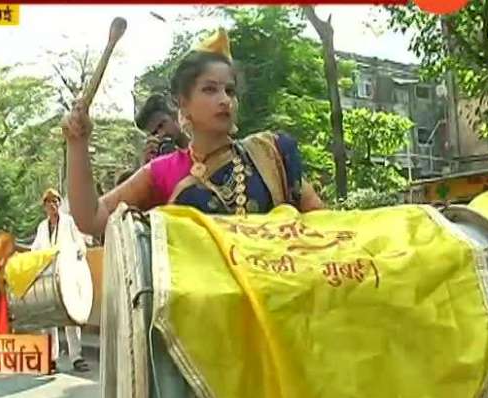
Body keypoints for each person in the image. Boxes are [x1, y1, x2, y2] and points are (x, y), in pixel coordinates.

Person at [64, 28, 324, 236]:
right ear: (183, 103)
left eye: (230, 91)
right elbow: (92, 219)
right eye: (210, 89)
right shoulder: (163, 172)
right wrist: (77, 144)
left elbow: (322, 229)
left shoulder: (270, 154)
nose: (225, 100)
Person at [31, 188, 90, 373]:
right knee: (49, 319)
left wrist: (80, 250)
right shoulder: (42, 227)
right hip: (49, 276)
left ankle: (77, 357)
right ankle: (51, 359)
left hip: (67, 274)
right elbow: (35, 250)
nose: (53, 205)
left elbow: (79, 241)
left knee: (70, 316)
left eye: (56, 202)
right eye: (49, 202)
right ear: (45, 206)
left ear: (59, 204)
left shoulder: (68, 222)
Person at [135, 94, 189, 163]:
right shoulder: (161, 158)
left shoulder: (202, 137)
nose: (161, 134)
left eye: (161, 125)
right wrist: (148, 164)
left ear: (174, 115)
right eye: (154, 133)